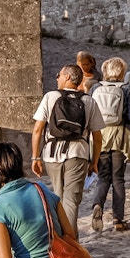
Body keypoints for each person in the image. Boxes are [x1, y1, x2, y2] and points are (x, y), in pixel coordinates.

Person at [31, 64, 105, 236]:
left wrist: (35, 158)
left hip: (52, 154)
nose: (57, 77)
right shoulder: (88, 101)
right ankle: (71, 244)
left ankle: (59, 241)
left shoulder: (50, 97)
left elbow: (37, 129)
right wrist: (94, 162)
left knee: (57, 196)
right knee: (71, 200)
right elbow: (98, 137)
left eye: (59, 74)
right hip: (78, 153)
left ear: (68, 78)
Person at [90, 57, 130, 232]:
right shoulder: (127, 89)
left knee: (103, 177)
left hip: (99, 137)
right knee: (118, 179)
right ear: (122, 72)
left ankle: (97, 205)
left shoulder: (95, 88)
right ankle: (118, 219)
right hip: (119, 136)